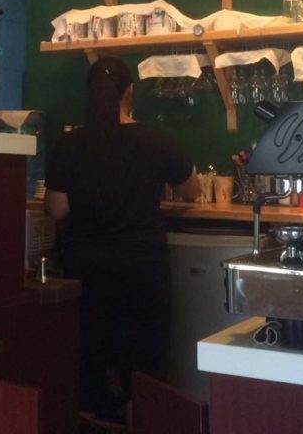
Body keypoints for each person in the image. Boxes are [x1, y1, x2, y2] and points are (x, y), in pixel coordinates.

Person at [45, 57, 201, 426]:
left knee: (91, 356)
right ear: (130, 91)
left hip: (86, 270)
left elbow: (57, 208)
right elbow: (193, 190)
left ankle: (90, 418)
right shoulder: (155, 140)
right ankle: (139, 418)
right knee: (144, 363)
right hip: (141, 269)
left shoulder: (70, 143)